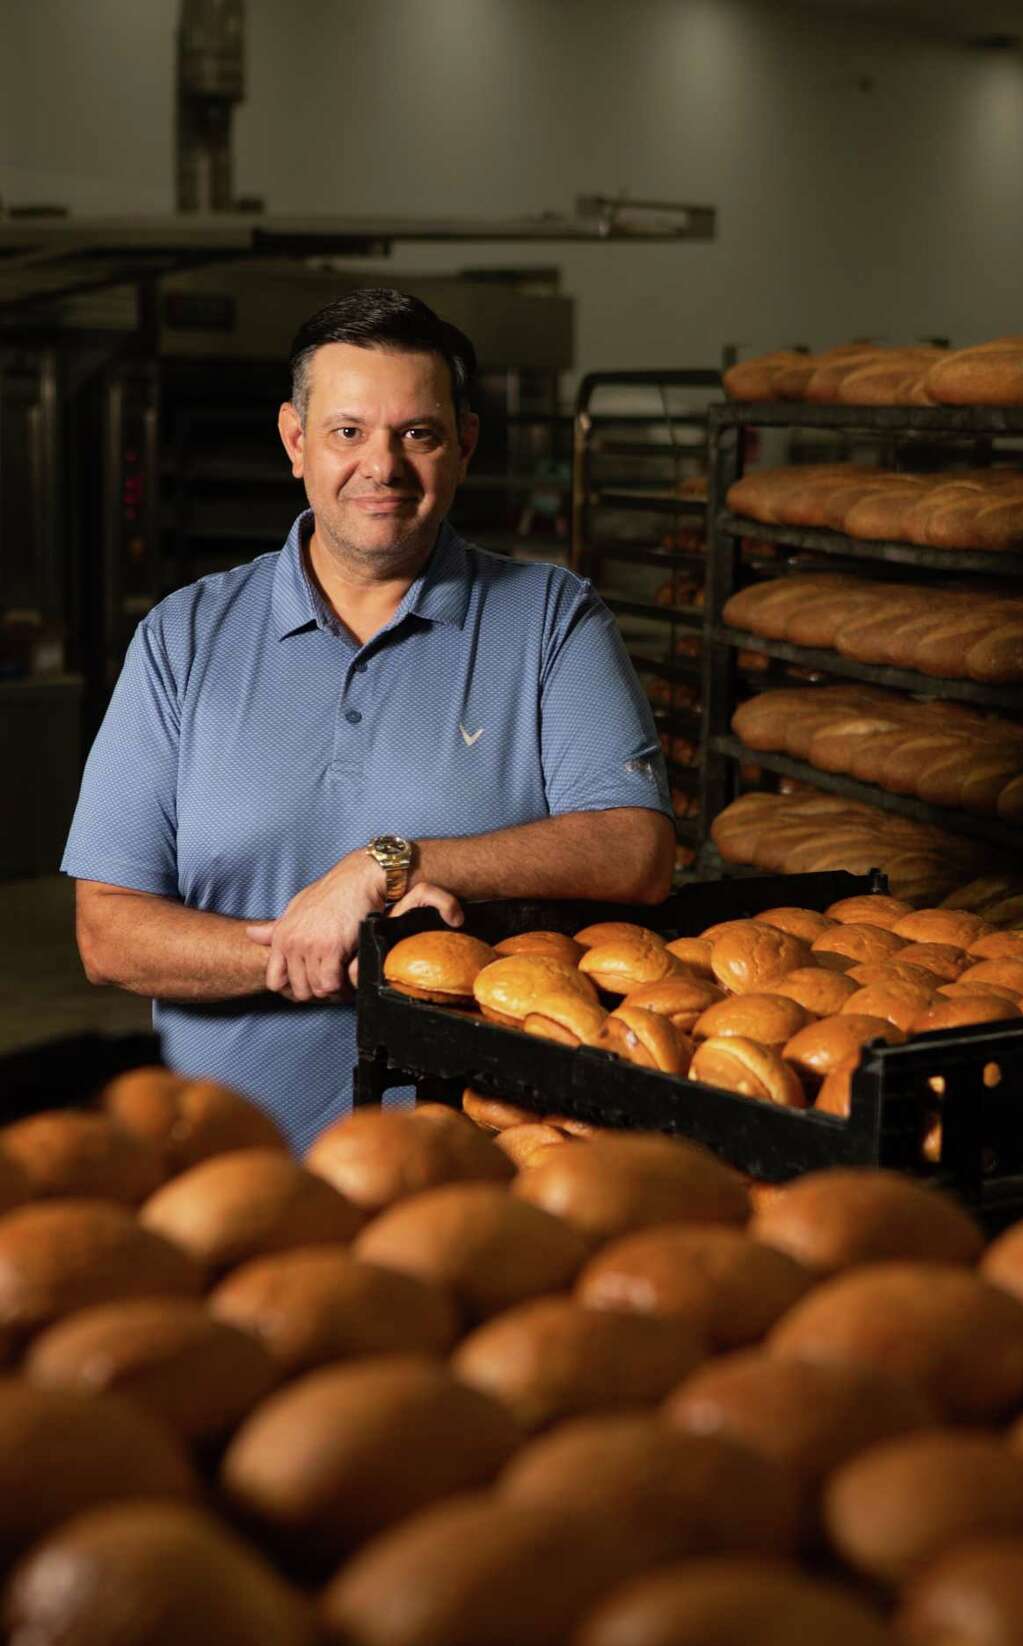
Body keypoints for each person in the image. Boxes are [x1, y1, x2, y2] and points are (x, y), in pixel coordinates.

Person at [63, 289, 675, 1151]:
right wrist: (329, 951)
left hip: (473, 1171)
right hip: (224, 1160)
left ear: (463, 444)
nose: (381, 466)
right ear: (295, 441)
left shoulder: (550, 620)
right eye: (348, 431)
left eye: (416, 433)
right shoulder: (183, 636)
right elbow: (110, 931)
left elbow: (636, 850)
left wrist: (390, 868)